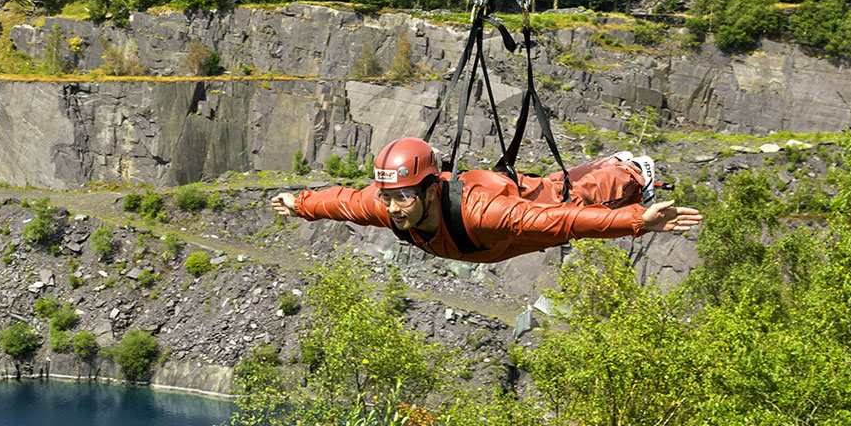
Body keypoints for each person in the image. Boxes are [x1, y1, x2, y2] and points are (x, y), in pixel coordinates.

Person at [269, 137, 701, 263]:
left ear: (431, 187)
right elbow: (340, 200)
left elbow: (565, 222)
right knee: (559, 197)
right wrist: (299, 203)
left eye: (402, 196)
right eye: (387, 197)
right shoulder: (387, 207)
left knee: (565, 197)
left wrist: (638, 221)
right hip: (489, 244)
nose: (393, 207)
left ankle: (627, 169)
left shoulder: (485, 212)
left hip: (504, 216)